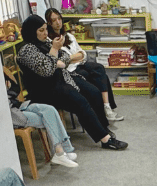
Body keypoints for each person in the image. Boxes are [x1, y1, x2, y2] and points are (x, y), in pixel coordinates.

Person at [16, 15, 129, 151]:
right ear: (31, 31)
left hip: (60, 80)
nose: (45, 33)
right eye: (41, 30)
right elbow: (46, 70)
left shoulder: (45, 43)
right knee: (79, 101)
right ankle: (105, 139)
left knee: (93, 92)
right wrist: (54, 53)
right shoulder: (26, 51)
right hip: (44, 90)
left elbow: (64, 58)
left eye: (46, 29)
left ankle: (103, 128)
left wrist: (56, 58)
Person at [46, 7, 123, 123]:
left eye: (59, 19)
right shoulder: (50, 41)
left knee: (99, 68)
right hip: (69, 71)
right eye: (54, 20)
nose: (58, 22)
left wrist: (71, 58)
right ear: (49, 23)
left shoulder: (69, 36)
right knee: (95, 78)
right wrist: (74, 57)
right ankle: (102, 114)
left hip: (79, 64)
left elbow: (83, 54)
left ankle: (107, 107)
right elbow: (61, 62)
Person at [6, 75, 79, 168]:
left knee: (50, 109)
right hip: (11, 114)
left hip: (18, 106)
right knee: (47, 118)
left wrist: (8, 88)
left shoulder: (1, 72)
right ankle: (60, 152)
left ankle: (66, 149)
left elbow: (16, 88)